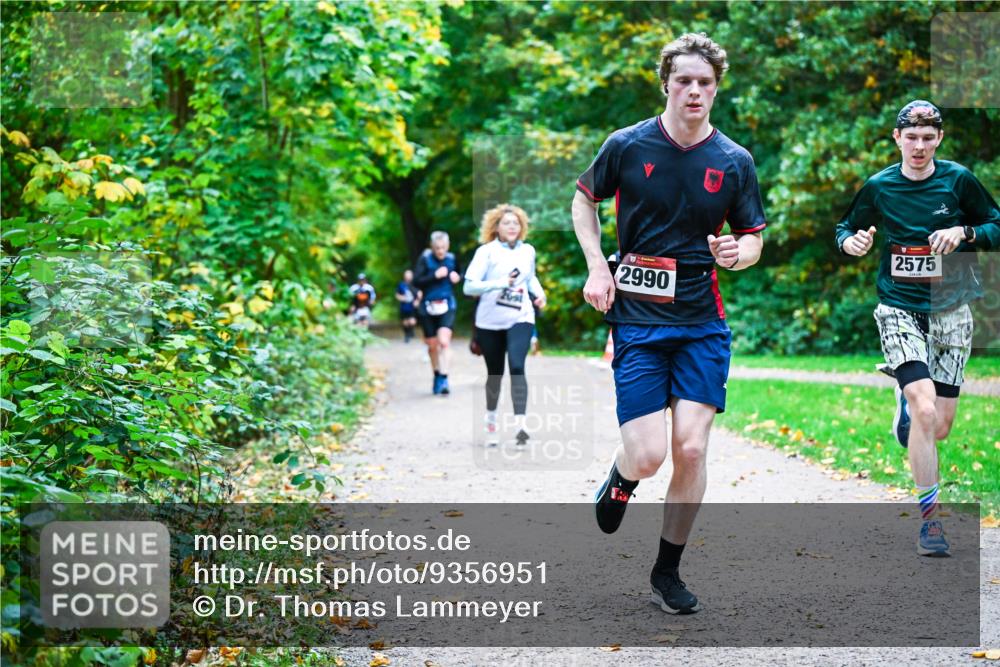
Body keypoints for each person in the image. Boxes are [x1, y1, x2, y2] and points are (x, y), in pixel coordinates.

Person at [572, 33, 766, 615]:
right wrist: (596, 269)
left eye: (705, 82)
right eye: (684, 80)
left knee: (691, 447)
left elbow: (753, 235)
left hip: (702, 323)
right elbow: (585, 200)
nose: (695, 91)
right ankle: (622, 478)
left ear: (715, 89)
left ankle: (667, 571)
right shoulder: (628, 145)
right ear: (666, 84)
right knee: (650, 453)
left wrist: (740, 253)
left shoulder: (733, 160)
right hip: (636, 321)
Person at [835, 100, 999, 557]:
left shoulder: (958, 180)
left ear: (939, 139)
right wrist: (852, 241)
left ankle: (907, 411)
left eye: (929, 138)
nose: (920, 146)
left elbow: (996, 225)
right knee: (925, 410)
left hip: (952, 308)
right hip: (899, 306)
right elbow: (846, 226)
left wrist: (965, 234)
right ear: (897, 138)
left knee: (939, 424)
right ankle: (930, 521)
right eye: (912, 137)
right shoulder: (880, 186)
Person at [463, 204, 546, 446]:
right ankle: (491, 422)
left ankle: (521, 426)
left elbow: (530, 278)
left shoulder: (528, 251)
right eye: (506, 223)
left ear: (522, 228)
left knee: (518, 366)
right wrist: (499, 283)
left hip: (521, 316)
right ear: (496, 227)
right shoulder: (486, 252)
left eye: (516, 223)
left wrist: (539, 294)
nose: (512, 227)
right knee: (495, 373)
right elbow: (469, 286)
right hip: (489, 321)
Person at [413, 231, 462, 395]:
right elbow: (416, 281)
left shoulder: (452, 259)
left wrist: (458, 277)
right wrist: (434, 275)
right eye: (437, 248)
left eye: (443, 248)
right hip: (428, 306)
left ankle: (444, 377)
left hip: (447, 304)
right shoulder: (425, 259)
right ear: (432, 247)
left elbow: (461, 274)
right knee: (433, 345)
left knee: (444, 342)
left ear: (447, 246)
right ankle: (436, 374)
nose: (440, 251)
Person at [395, 269, 421, 342]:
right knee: (405, 321)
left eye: (409, 275)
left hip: (412, 306)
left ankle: (411, 331)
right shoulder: (401, 284)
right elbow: (397, 294)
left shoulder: (415, 284)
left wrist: (417, 301)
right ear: (404, 276)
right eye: (407, 275)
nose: (408, 277)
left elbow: (420, 293)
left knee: (412, 321)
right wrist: (401, 298)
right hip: (404, 306)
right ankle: (407, 335)